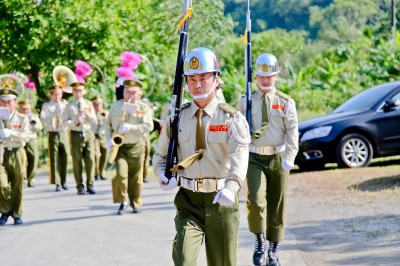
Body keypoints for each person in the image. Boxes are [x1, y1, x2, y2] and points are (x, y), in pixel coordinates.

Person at [152, 47, 250, 266]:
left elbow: (239, 157)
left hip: (221, 199)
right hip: (188, 200)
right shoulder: (176, 118)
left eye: (203, 78)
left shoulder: (231, 119)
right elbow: (160, 155)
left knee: (223, 262)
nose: (197, 85)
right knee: (184, 259)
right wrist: (161, 173)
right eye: (192, 79)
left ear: (216, 79)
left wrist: (232, 187)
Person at [236, 53, 299, 266]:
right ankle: (259, 241)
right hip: (254, 157)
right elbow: (235, 130)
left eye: (269, 76)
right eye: (261, 77)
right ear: (256, 77)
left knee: (277, 203)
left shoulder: (285, 102)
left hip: (278, 156)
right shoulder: (245, 101)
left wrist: (290, 156)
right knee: (255, 200)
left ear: (276, 76)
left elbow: (292, 130)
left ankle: (274, 248)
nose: (265, 80)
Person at [104, 79, 153, 215]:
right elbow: (107, 125)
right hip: (120, 147)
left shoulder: (143, 108)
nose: (130, 95)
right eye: (127, 91)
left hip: (137, 146)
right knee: (121, 174)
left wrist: (132, 127)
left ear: (139, 94)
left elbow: (149, 126)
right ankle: (123, 201)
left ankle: (136, 202)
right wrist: (108, 140)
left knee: (136, 177)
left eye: (133, 92)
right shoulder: (116, 106)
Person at [0, 77, 30, 225]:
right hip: (1, 152)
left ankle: (17, 213)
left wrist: (11, 133)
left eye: (9, 101)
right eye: (3, 101)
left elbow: (26, 137)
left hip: (17, 152)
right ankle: (5, 211)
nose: (6, 104)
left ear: (15, 102)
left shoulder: (22, 118)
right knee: (2, 184)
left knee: (17, 184)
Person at [62, 82, 97, 195]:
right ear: (72, 92)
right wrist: (74, 121)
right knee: (77, 161)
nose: (78, 93)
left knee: (90, 159)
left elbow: (94, 120)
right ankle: (79, 186)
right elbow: (64, 123)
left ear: (84, 91)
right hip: (76, 133)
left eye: (80, 90)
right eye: (76, 91)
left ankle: (90, 184)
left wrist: (87, 115)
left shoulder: (88, 104)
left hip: (88, 133)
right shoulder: (69, 105)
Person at [40, 85, 70, 192]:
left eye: (59, 94)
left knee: (65, 155)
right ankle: (57, 182)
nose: (57, 96)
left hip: (63, 131)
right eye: (55, 94)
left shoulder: (65, 104)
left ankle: (64, 180)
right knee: (54, 157)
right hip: (53, 132)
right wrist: (53, 113)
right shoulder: (46, 105)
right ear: (51, 95)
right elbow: (43, 118)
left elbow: (70, 117)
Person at [19, 99, 43, 187]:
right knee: (22, 159)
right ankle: (23, 178)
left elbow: (40, 127)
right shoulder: (18, 117)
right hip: (21, 139)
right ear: (20, 108)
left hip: (31, 138)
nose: (25, 111)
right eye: (23, 108)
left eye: (27, 109)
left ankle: (30, 177)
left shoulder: (33, 116)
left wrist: (33, 124)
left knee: (33, 158)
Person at [91, 96, 108, 181]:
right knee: (96, 155)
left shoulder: (105, 113)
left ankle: (102, 172)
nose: (98, 106)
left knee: (105, 153)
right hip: (94, 135)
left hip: (103, 135)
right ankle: (96, 173)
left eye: (100, 104)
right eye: (96, 104)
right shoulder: (91, 113)